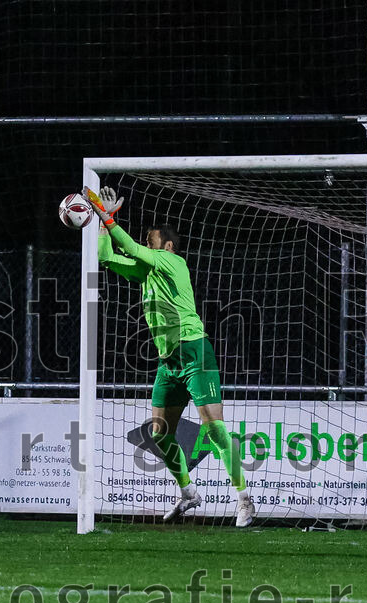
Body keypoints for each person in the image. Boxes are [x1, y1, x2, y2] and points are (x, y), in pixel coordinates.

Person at [84, 186, 255, 527]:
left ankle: (244, 498)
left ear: (168, 246)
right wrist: (105, 225)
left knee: (215, 428)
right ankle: (189, 493)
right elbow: (104, 257)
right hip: (169, 361)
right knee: (160, 432)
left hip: (194, 350)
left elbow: (129, 246)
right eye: (147, 240)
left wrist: (106, 214)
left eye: (152, 240)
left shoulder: (172, 261)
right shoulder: (147, 271)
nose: (146, 244)